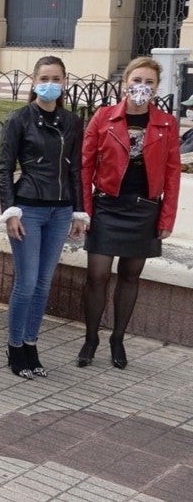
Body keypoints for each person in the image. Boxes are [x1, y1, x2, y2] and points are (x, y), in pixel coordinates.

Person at [79, 57, 182, 369]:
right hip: (108, 207)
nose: (142, 87)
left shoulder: (166, 123)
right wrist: (84, 211)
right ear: (125, 84)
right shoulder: (104, 117)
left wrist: (167, 219)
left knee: (129, 275)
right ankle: (91, 338)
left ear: (156, 88)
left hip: (144, 209)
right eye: (137, 81)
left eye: (149, 82)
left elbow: (173, 173)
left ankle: (118, 339)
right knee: (96, 275)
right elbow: (85, 166)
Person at [0, 55, 88, 380]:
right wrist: (10, 211)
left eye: (57, 78)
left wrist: (79, 212)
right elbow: (5, 168)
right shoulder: (20, 119)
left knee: (44, 283)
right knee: (27, 282)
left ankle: (31, 343)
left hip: (61, 211)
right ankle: (14, 346)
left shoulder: (72, 121)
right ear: (34, 81)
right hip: (29, 208)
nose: (50, 83)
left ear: (64, 83)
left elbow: (76, 169)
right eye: (44, 77)